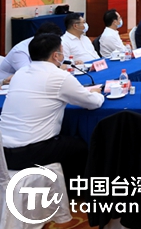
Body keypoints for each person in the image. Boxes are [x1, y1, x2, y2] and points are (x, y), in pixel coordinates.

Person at [0, 33, 104, 195]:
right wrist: (97, 93)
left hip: (3, 151)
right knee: (81, 147)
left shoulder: (20, 73)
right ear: (56, 55)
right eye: (62, 51)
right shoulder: (59, 76)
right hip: (30, 151)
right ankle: (74, 194)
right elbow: (92, 103)